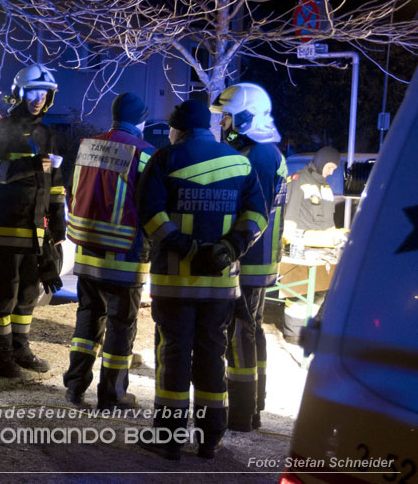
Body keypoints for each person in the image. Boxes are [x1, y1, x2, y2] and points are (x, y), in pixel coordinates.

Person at [137, 99, 268, 460]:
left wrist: (186, 247)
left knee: (174, 355)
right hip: (221, 284)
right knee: (212, 355)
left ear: (177, 129)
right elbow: (257, 216)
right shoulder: (240, 162)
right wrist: (230, 247)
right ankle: (211, 439)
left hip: (175, 283)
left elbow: (150, 216)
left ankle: (169, 439)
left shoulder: (165, 159)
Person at [62, 92, 155, 409]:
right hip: (124, 256)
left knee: (87, 323)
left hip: (87, 252)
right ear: (140, 119)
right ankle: (112, 395)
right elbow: (150, 205)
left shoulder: (88, 146)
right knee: (120, 327)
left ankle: (74, 387)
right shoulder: (144, 153)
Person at [0, 63, 67, 378]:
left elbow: (54, 183)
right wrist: (27, 166)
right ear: (20, 93)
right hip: (4, 227)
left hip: (36, 231)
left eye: (44, 93)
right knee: (3, 293)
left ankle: (20, 349)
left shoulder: (47, 135)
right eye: (32, 92)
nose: (38, 98)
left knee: (29, 291)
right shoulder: (1, 130)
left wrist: (58, 223)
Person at [211, 83, 288, 432]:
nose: (223, 123)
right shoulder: (259, 150)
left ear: (245, 118)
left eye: (227, 117)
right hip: (253, 257)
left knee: (242, 333)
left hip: (250, 258)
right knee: (250, 332)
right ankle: (253, 406)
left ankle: (242, 413)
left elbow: (254, 213)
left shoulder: (259, 155)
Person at [281, 145, 346, 341]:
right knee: (298, 292)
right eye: (330, 167)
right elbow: (289, 219)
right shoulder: (298, 180)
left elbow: (328, 221)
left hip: (322, 250)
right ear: (321, 162)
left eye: (334, 168)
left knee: (319, 291)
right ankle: (293, 335)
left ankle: (306, 330)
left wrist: (335, 237)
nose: (331, 171)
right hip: (302, 249)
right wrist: (290, 244)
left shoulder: (325, 187)